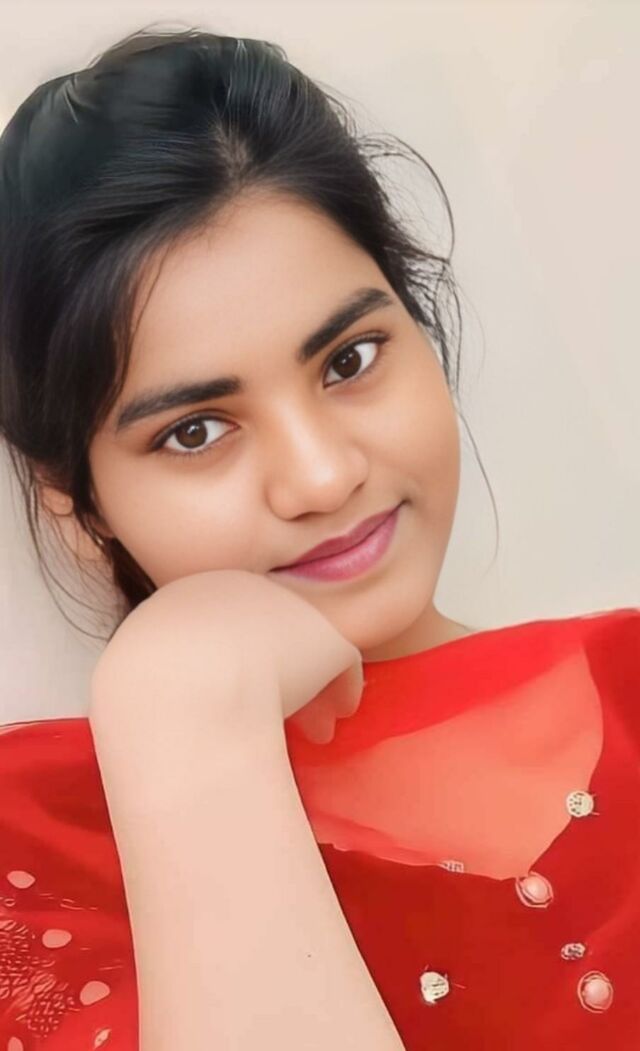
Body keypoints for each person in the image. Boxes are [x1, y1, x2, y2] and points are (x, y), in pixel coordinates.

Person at [0, 24, 638, 1051]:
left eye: (349, 359)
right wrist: (182, 719)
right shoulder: (24, 846)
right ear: (81, 508)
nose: (323, 476)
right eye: (195, 431)